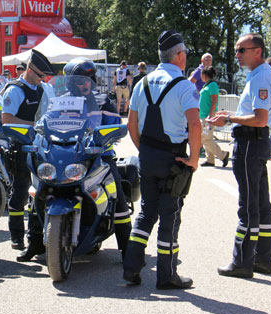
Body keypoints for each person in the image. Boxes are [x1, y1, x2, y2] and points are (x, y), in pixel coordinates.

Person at [123, 30, 201, 289]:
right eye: (185, 54)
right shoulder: (185, 86)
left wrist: (143, 148)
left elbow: (131, 124)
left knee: (146, 212)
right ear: (179, 56)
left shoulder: (141, 83)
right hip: (173, 159)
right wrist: (194, 158)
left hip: (148, 154)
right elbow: (195, 125)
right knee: (170, 215)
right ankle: (166, 276)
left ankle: (131, 268)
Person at [208, 33, 271, 278]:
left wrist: (228, 118)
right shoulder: (261, 73)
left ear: (256, 51)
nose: (237, 55)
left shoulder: (260, 76)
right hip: (255, 142)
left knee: (248, 205)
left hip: (250, 142)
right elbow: (256, 114)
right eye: (237, 50)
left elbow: (259, 119)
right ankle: (263, 258)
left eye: (241, 50)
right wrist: (233, 113)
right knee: (260, 203)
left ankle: (242, 262)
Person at [62, 57, 132, 259]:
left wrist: (110, 133)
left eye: (88, 79)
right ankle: (34, 241)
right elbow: (45, 121)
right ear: (71, 83)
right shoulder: (62, 101)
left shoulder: (102, 100)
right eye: (79, 80)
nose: (85, 84)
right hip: (69, 155)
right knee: (40, 187)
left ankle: (128, 249)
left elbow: (117, 125)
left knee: (116, 193)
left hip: (99, 155)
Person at [0, 49, 54, 258]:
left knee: (40, 192)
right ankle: (16, 236)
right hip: (21, 147)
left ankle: (37, 236)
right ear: (30, 70)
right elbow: (6, 119)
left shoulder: (43, 89)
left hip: (41, 147)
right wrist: (33, 125)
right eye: (40, 75)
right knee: (20, 191)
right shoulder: (15, 90)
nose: (43, 80)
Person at [199, 66, 229, 167]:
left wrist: (210, 116)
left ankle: (223, 155)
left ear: (204, 75)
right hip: (204, 115)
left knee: (206, 139)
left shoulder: (212, 85)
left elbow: (214, 100)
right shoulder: (207, 85)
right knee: (207, 138)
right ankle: (210, 160)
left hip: (208, 117)